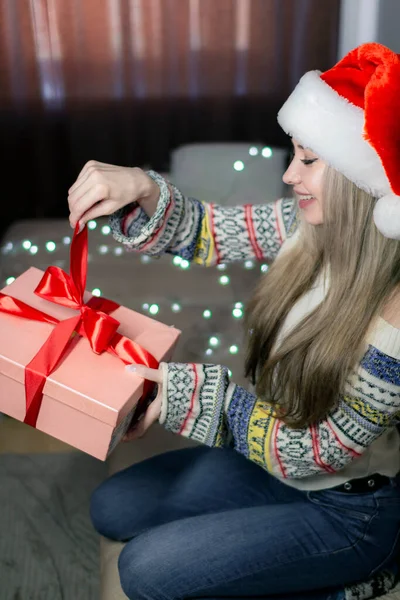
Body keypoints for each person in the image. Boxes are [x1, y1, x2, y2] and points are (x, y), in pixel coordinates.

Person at [68, 43, 400, 600]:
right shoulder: (308, 222)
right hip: (275, 470)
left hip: (350, 509)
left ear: (358, 176)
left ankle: (363, 577)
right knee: (113, 506)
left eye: (310, 160)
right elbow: (211, 231)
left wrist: (183, 395)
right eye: (294, 154)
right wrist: (144, 187)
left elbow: (317, 449)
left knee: (146, 570)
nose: (291, 174)